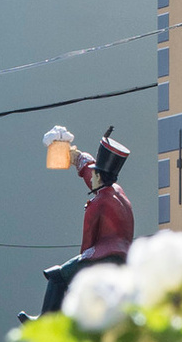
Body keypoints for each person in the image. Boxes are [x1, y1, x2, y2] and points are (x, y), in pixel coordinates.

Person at [40, 131, 133, 316]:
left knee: (57, 276)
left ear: (99, 177)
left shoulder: (97, 203)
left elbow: (87, 242)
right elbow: (90, 169)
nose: (91, 178)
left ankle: (46, 320)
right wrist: (75, 156)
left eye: (94, 176)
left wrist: (79, 272)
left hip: (102, 255)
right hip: (125, 256)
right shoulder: (116, 191)